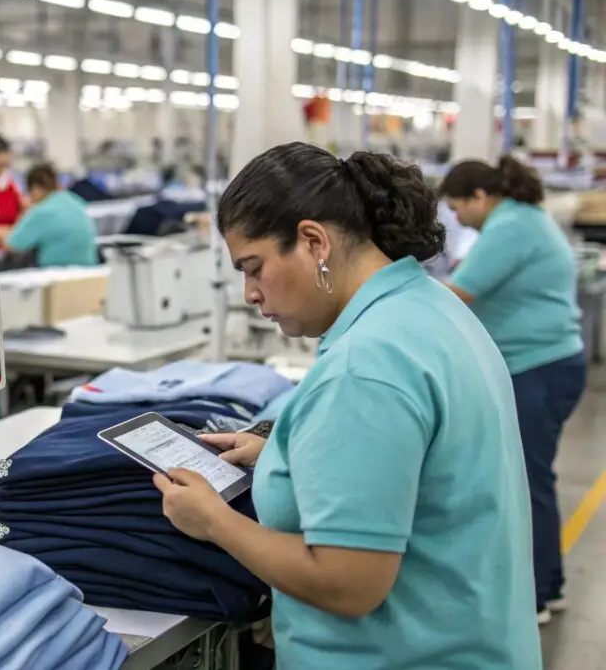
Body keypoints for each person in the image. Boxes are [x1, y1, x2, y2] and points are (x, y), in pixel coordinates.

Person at [153, 143, 541, 669]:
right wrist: (289, 455)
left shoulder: (366, 365)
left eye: (254, 267)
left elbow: (349, 583)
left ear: (314, 242)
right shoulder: (428, 306)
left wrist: (213, 521)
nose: (249, 293)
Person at [440, 155, 587, 625]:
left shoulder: (511, 227)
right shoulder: (522, 220)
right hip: (549, 364)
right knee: (532, 478)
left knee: (529, 483)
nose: (457, 218)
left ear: (481, 197)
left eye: (458, 207)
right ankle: (551, 585)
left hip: (538, 368)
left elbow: (458, 293)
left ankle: (538, 594)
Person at [0, 164, 98, 267]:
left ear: (35, 188)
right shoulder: (75, 201)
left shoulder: (43, 211)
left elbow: (12, 244)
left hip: (59, 275)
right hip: (89, 272)